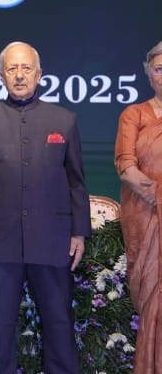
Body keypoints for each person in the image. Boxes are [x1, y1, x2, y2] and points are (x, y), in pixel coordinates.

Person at [0, 41, 91, 374]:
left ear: (39, 74)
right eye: (12, 69)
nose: (19, 76)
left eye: (26, 68)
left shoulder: (64, 120)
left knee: (59, 323)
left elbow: (76, 181)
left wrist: (79, 233)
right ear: (1, 75)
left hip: (53, 238)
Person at [114, 40, 162, 374]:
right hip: (145, 216)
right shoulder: (134, 114)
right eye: (159, 69)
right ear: (148, 74)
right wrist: (157, 195)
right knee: (151, 297)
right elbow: (126, 166)